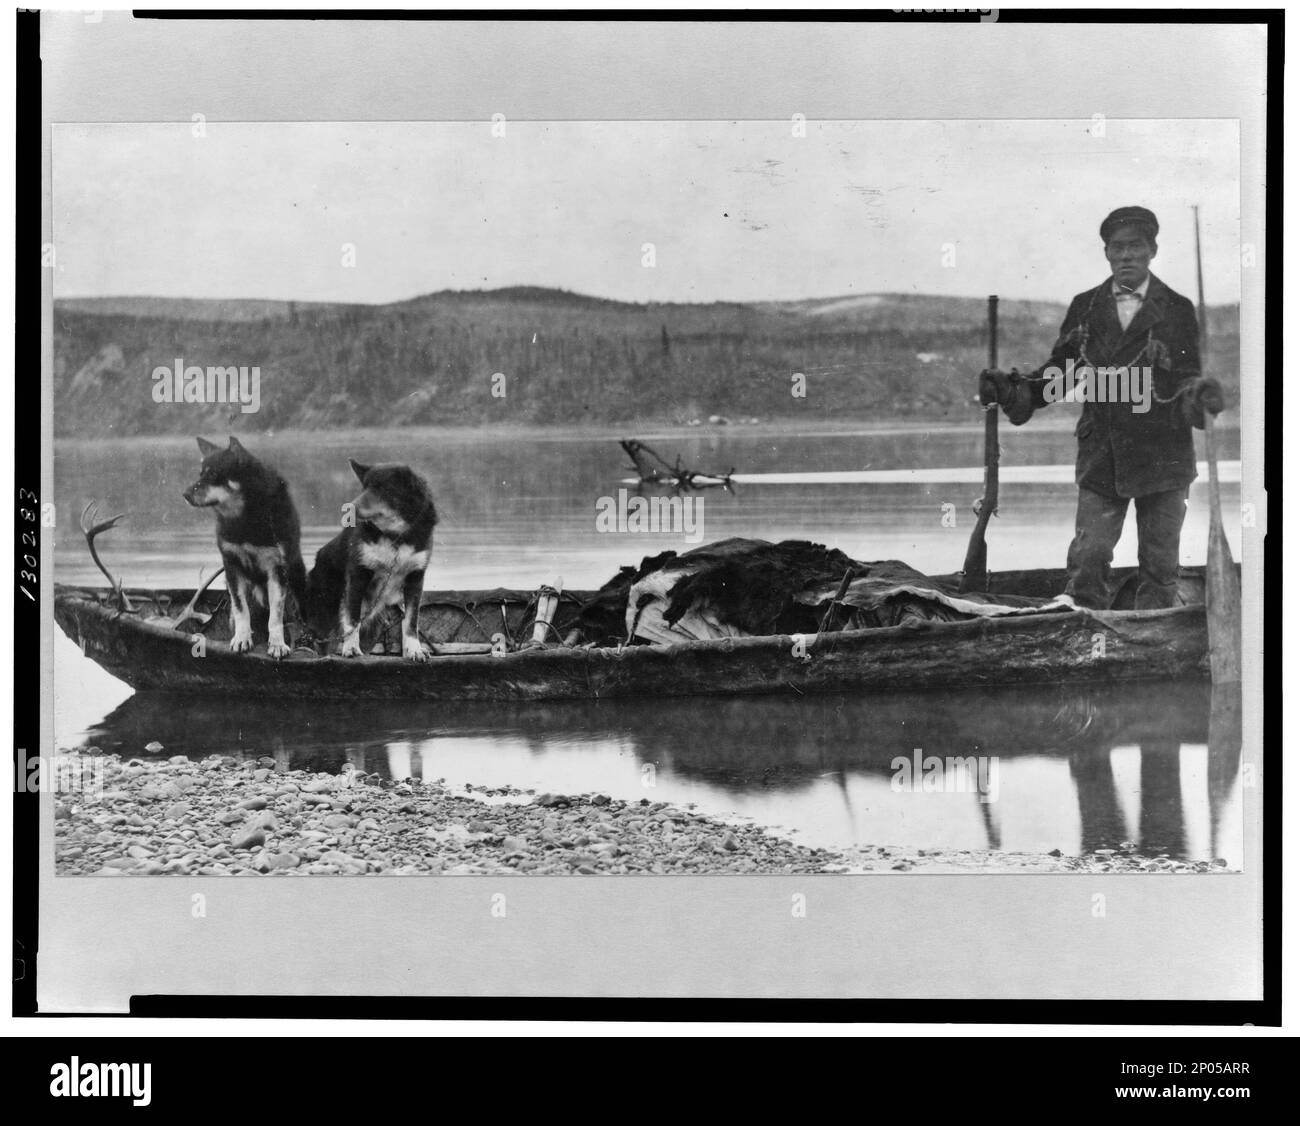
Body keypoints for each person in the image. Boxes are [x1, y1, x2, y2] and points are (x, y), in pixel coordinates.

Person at [980, 206, 1225, 610]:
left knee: (1161, 567)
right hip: (1103, 457)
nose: (1126, 255)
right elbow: (1060, 373)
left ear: (1152, 250)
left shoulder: (1177, 309)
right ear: (1107, 253)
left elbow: (1187, 380)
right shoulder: (1085, 307)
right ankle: (1083, 629)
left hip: (1165, 458)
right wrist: (1013, 390)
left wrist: (1201, 397)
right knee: (1089, 559)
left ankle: (1153, 642)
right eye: (1117, 248)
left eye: (1135, 247)